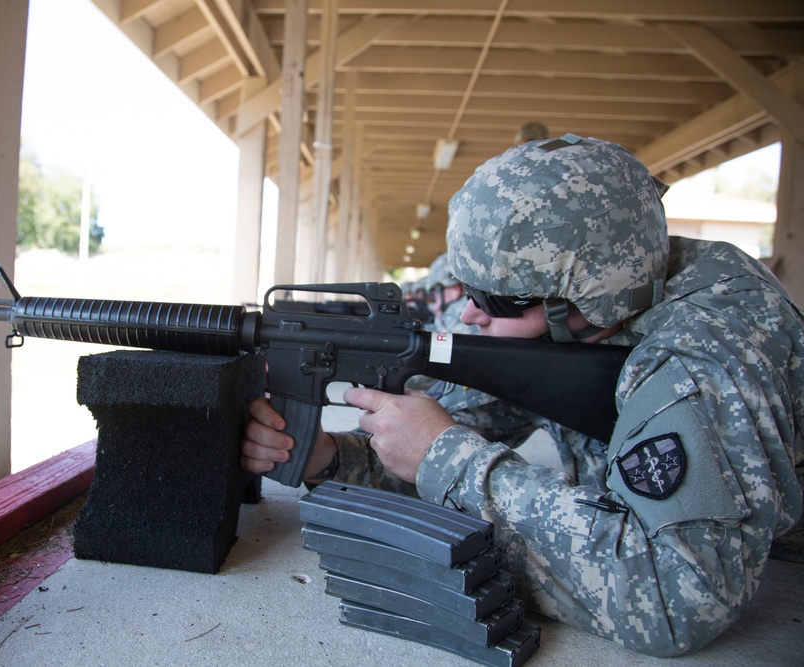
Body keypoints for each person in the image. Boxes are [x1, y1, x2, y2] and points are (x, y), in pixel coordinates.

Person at [241, 134, 804, 657]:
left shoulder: (702, 356)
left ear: (584, 296)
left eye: (498, 300)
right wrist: (332, 457)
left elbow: (678, 597)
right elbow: (442, 430)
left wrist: (446, 458)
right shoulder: (594, 316)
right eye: (468, 290)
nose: (468, 313)